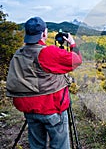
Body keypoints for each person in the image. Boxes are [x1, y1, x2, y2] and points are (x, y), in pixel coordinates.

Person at [6, 17, 82, 148]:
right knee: (60, 145)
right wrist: (72, 44)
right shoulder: (47, 53)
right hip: (52, 109)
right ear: (44, 33)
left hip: (29, 109)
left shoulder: (19, 54)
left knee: (36, 145)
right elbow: (76, 60)